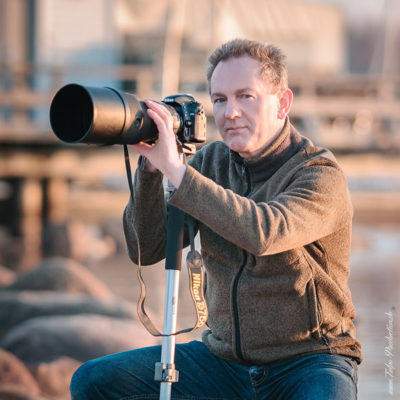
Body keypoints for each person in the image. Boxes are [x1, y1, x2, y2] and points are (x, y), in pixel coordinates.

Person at [70, 38, 361, 399]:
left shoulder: (318, 173)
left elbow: (265, 231)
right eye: (220, 99)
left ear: (282, 103)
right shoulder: (210, 164)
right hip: (222, 361)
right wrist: (151, 169)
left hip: (309, 360)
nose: (230, 112)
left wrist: (178, 171)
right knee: (92, 382)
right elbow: (146, 248)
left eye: (246, 96)